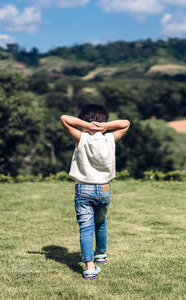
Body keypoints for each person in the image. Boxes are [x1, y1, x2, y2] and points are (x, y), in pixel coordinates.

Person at [60, 104, 130, 279]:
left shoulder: (81, 138)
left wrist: (85, 126)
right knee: (101, 221)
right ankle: (100, 254)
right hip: (104, 189)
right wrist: (106, 127)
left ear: (83, 122)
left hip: (83, 189)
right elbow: (126, 123)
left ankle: (90, 267)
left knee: (86, 227)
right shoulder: (109, 139)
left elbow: (64, 118)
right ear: (104, 121)